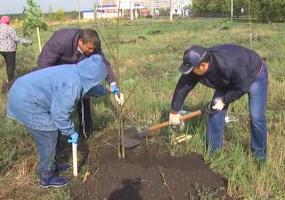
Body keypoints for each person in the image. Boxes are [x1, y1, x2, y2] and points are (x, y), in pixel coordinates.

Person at [7, 55, 108, 188]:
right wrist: (71, 132)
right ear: (93, 76)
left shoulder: (77, 72)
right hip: (26, 101)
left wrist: (107, 90)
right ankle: (47, 176)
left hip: (24, 90)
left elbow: (89, 86)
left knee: (52, 130)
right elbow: (59, 115)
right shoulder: (72, 86)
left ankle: (52, 165)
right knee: (48, 134)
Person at [169, 44, 268, 162]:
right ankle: (214, 154)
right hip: (226, 80)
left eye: (192, 70)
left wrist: (224, 100)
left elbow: (242, 87)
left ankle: (259, 156)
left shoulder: (229, 64)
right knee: (215, 112)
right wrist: (174, 111)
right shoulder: (197, 65)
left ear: (203, 65)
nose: (191, 73)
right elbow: (183, 87)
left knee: (256, 117)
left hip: (254, 75)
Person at [37, 28, 124, 138]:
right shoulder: (61, 41)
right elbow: (44, 63)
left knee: (85, 93)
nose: (92, 51)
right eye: (89, 48)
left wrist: (113, 84)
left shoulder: (93, 44)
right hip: (56, 67)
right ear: (80, 42)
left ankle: (86, 133)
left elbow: (103, 63)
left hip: (79, 67)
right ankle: (55, 136)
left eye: (94, 49)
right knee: (55, 104)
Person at [0, 15, 32, 92]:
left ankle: (9, 81)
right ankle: (10, 85)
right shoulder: (9, 28)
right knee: (10, 66)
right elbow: (16, 39)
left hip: (2, 50)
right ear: (8, 21)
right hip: (9, 50)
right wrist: (27, 42)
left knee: (8, 64)